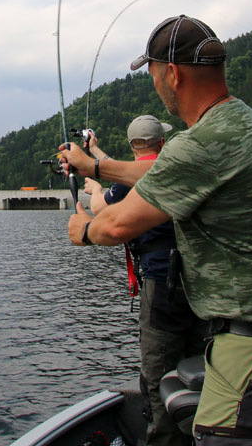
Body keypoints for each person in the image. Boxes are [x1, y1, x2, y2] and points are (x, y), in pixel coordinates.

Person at [62, 15, 252, 446]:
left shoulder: (200, 143)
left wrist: (83, 227)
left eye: (153, 75)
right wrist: (97, 166)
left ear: (173, 75)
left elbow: (117, 225)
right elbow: (166, 172)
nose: (155, 85)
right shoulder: (242, 123)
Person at [83, 115, 204, 446]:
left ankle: (163, 438)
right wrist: (95, 152)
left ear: (132, 145)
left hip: (161, 285)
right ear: (162, 143)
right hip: (196, 284)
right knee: (196, 363)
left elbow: (102, 212)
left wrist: (94, 187)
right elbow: (120, 169)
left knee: (157, 374)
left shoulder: (128, 181)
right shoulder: (169, 168)